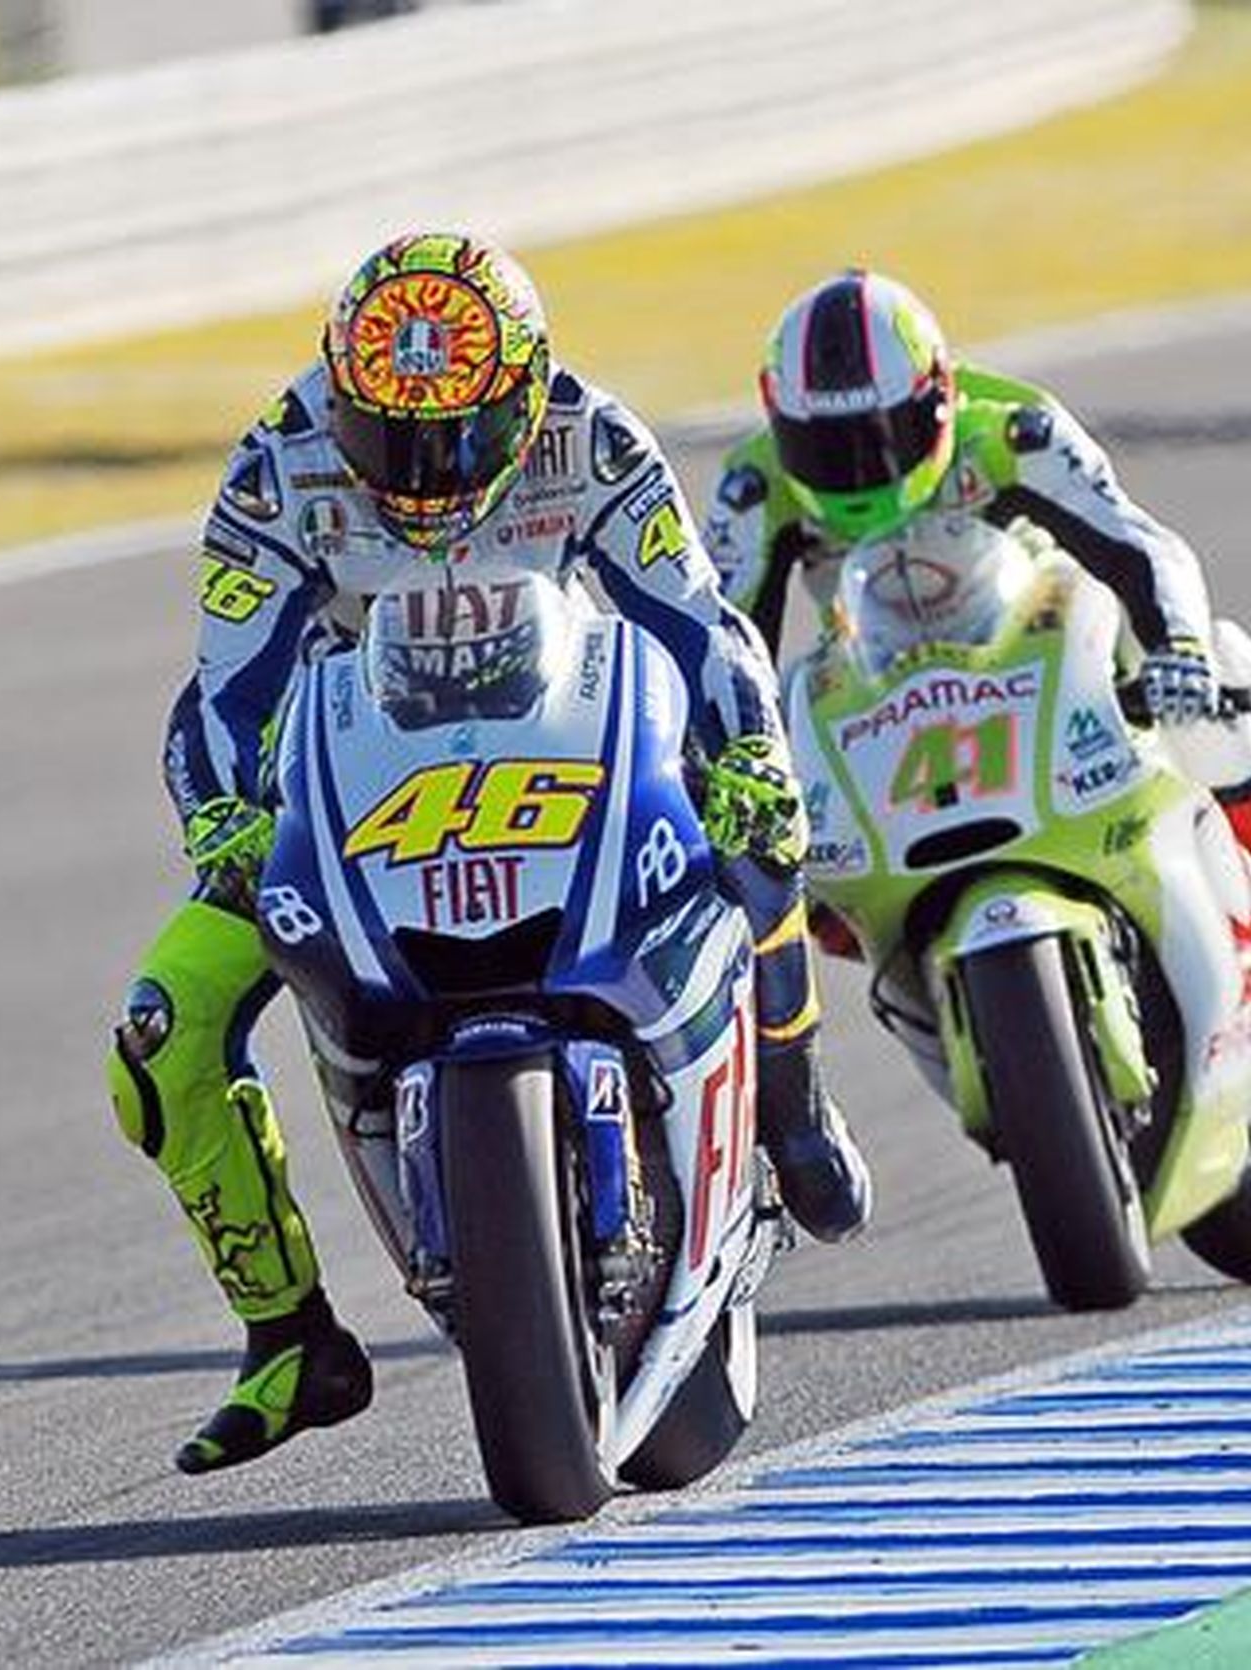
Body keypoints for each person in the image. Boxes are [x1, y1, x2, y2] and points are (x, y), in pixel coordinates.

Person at [105, 231, 872, 1477]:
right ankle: (291, 1335)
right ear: (338, 397)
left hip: (560, 747)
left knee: (758, 850)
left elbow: (699, 629)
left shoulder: (596, 440)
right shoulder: (277, 466)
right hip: (354, 790)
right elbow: (220, 696)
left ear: (521, 395)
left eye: (457, 435)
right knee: (158, 1035)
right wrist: (226, 823)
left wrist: (752, 766)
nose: (422, 470)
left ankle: (789, 1111)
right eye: (387, 436)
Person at [703, 269, 1251, 997]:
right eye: (824, 447)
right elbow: (720, 642)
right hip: (878, 676)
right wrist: (725, 765)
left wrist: (1179, 650)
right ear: (774, 416)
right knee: (757, 851)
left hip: (1041, 645)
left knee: (1203, 678)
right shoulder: (754, 488)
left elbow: (1141, 546)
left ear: (941, 396)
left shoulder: (1011, 429)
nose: (860, 470)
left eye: (886, 436)